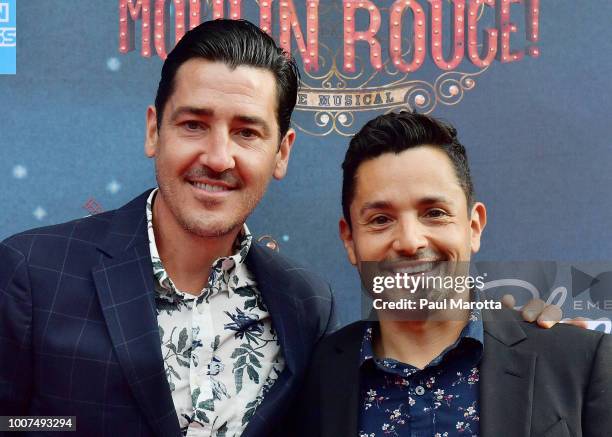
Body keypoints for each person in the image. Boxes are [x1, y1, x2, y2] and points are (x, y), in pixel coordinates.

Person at [0, 20, 567, 437]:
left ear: (281, 152)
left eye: (247, 132)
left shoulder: (303, 304)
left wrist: (525, 330)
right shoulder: (34, 271)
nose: (218, 157)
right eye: (194, 124)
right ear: (155, 131)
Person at [292, 112, 612, 437]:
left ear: (473, 227)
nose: (409, 242)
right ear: (349, 240)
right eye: (380, 219)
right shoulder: (313, 379)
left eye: (434, 213)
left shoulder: (579, 362)